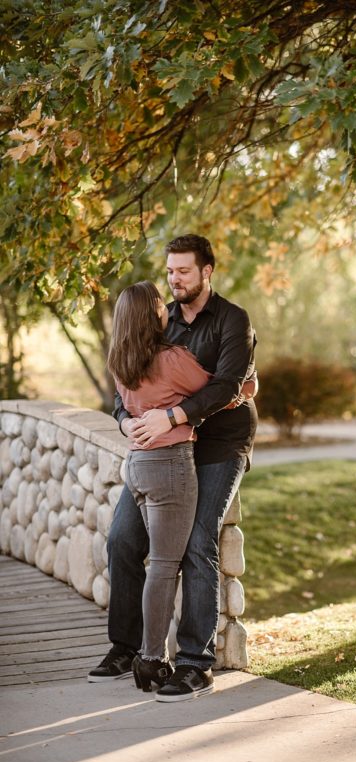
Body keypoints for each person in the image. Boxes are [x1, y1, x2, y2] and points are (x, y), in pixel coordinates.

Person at [88, 234, 257, 703]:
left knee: (199, 539)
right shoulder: (162, 325)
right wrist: (128, 425)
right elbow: (131, 386)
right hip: (160, 449)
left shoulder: (232, 320)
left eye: (184, 271)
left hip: (220, 444)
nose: (175, 279)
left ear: (207, 271)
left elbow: (226, 387)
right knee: (122, 538)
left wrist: (174, 415)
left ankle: (193, 663)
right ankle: (128, 648)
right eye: (170, 272)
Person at [106, 281, 211, 692]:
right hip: (169, 465)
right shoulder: (172, 359)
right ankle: (150, 659)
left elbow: (129, 406)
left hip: (136, 465)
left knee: (157, 564)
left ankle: (142, 653)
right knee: (165, 566)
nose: (165, 305)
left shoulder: (120, 361)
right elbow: (218, 389)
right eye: (158, 302)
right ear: (152, 312)